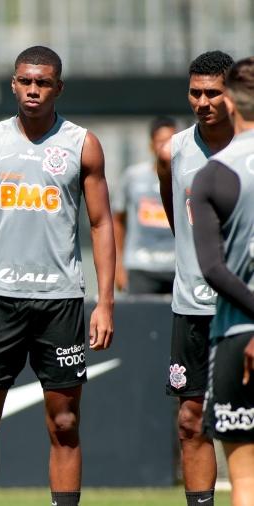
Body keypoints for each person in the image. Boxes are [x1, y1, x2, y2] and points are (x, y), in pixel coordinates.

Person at [0, 46, 114, 506]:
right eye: (25, 80)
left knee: (64, 422)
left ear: (58, 88)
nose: (33, 89)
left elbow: (102, 224)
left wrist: (105, 302)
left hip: (60, 302)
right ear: (13, 83)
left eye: (43, 82)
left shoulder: (82, 144)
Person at [156, 50, 235, 506]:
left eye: (213, 93)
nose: (202, 101)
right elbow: (177, 219)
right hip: (191, 309)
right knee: (190, 420)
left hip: (242, 309)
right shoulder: (174, 152)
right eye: (195, 92)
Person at [192, 55, 254, 506]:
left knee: (246, 480)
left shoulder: (213, 174)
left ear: (230, 102)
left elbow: (213, 269)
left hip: (237, 334)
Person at [113, 116, 177, 294]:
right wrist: (118, 267)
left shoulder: (188, 178)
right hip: (141, 268)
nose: (166, 147)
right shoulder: (133, 177)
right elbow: (117, 221)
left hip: (179, 269)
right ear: (151, 145)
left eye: (171, 141)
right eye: (161, 141)